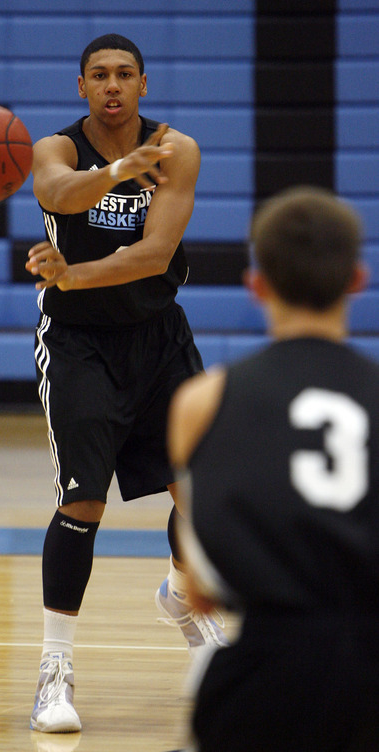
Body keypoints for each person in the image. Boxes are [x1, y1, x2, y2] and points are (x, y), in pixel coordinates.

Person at [25, 33, 228, 735]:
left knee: (200, 496)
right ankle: (55, 672)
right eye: (99, 76)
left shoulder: (180, 150)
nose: (112, 86)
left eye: (124, 75)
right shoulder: (53, 149)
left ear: (144, 84)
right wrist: (117, 170)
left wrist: (72, 271)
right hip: (79, 344)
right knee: (82, 502)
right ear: (81, 87)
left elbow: (154, 254)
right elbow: (59, 192)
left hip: (158, 340)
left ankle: (183, 598)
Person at [167, 186, 379, 752]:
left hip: (264, 676)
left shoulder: (201, 401)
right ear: (356, 280)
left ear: (256, 286)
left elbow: (203, 589)